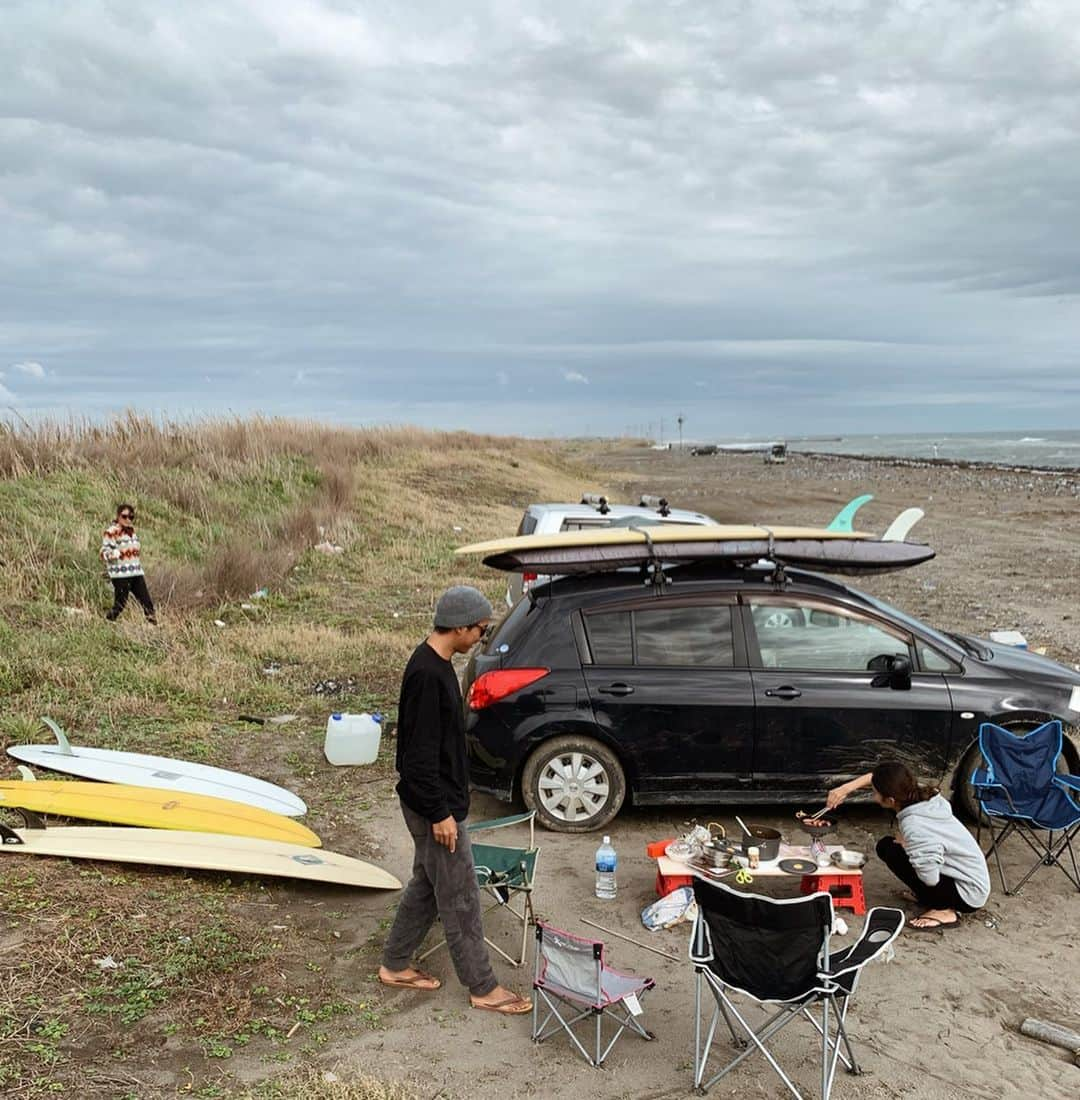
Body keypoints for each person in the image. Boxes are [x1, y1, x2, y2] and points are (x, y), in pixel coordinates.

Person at [378, 585, 531, 1015]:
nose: (480, 639)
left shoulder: (437, 663)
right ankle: (483, 988)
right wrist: (440, 813)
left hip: (434, 802)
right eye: (480, 631)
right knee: (461, 895)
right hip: (433, 806)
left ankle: (394, 964)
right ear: (460, 626)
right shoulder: (429, 674)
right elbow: (417, 757)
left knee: (428, 884)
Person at [827, 761, 990, 931]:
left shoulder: (915, 826)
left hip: (968, 894)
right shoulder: (920, 793)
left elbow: (930, 878)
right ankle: (928, 898)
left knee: (893, 851)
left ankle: (943, 910)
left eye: (875, 793)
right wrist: (844, 789)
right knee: (888, 845)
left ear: (890, 800)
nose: (874, 797)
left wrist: (910, 848)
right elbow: (875, 777)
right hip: (971, 877)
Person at [101, 503, 157, 624]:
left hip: (136, 573)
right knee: (120, 605)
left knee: (147, 603)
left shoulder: (132, 532)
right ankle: (107, 622)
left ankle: (154, 628)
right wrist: (112, 554)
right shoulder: (111, 532)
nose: (128, 520)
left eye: (131, 517)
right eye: (124, 516)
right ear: (118, 516)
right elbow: (103, 552)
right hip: (121, 575)